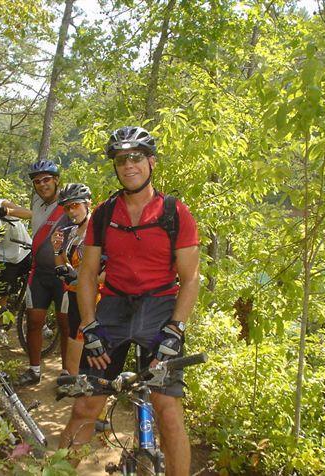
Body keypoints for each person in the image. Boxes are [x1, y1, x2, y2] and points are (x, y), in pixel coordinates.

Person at [59, 126, 200, 475]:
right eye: (121, 159)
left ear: (151, 162)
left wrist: (175, 330)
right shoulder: (105, 213)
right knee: (85, 406)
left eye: (136, 157)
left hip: (159, 311)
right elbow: (89, 274)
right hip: (114, 310)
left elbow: (191, 277)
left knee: (167, 409)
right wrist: (89, 326)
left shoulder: (174, 212)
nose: (128, 165)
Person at [16, 160, 71, 386]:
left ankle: (68, 373)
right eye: (37, 181)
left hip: (63, 274)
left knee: (65, 323)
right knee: (34, 321)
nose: (42, 184)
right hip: (39, 273)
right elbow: (21, 211)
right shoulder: (37, 202)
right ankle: (34, 369)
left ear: (56, 180)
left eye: (46, 179)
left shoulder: (68, 202)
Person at [51, 183, 102, 375]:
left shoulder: (98, 233)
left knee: (87, 341)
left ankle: (90, 387)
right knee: (74, 337)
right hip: (74, 295)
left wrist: (79, 277)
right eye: (67, 207)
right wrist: (57, 250)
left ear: (88, 204)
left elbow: (109, 272)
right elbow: (64, 262)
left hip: (95, 298)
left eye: (76, 205)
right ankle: (74, 381)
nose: (71, 211)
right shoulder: (72, 232)